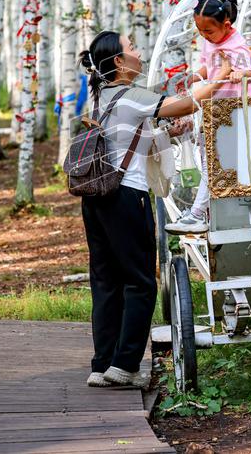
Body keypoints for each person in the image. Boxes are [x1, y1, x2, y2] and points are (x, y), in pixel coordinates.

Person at [77, 30, 231, 388]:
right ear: (119, 61)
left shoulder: (101, 98)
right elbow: (186, 104)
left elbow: (129, 141)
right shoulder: (132, 95)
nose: (139, 53)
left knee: (106, 282)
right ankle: (125, 366)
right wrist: (222, 75)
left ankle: (102, 365)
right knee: (141, 282)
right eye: (132, 48)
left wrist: (167, 133)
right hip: (126, 198)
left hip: (95, 199)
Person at [165, 0, 251, 234]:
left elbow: (249, 72)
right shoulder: (210, 41)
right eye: (200, 30)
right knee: (208, 162)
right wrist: (195, 76)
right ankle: (202, 213)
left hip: (233, 109)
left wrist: (239, 73)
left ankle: (197, 214)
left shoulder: (237, 45)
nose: (204, 35)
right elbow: (209, 66)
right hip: (213, 108)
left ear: (226, 24)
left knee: (213, 164)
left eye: (209, 31)